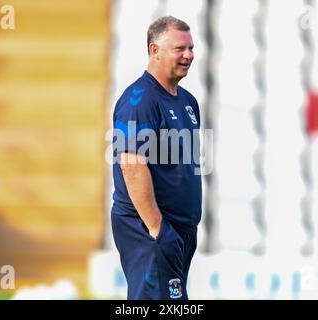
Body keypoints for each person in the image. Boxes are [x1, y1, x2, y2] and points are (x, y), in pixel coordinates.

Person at [111, 16, 202, 300]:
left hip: (180, 233)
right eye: (179, 49)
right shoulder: (140, 100)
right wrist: (157, 228)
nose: (188, 55)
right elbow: (132, 164)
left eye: (190, 48)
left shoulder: (188, 102)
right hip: (150, 230)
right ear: (155, 50)